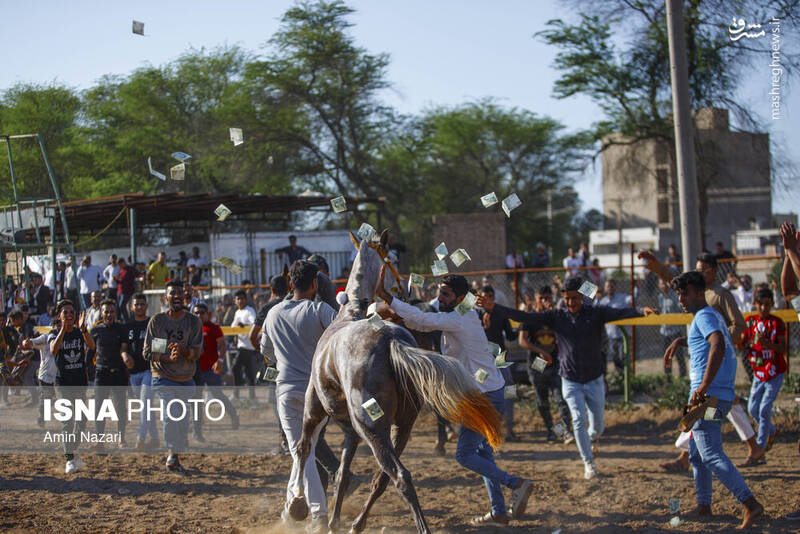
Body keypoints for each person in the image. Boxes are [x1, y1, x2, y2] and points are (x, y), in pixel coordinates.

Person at [377, 270, 533, 527]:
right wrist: (398, 313)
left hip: (483, 396)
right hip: (487, 392)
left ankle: (516, 483)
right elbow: (420, 322)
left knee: (464, 454)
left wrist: (388, 299)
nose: (440, 296)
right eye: (439, 291)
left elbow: (422, 319)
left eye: (446, 293)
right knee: (483, 454)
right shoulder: (460, 314)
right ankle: (499, 512)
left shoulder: (460, 319)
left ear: (460, 297)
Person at [479, 276, 653, 480]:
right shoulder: (556, 316)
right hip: (569, 379)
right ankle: (588, 462)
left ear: (581, 296)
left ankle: (588, 441)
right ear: (563, 298)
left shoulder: (595, 314)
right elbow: (524, 316)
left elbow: (619, 312)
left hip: (594, 378)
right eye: (567, 298)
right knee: (578, 419)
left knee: (598, 427)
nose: (571, 302)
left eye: (574, 298)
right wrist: (495, 307)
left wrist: (641, 311)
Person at [639, 250, 764, 468]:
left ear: (714, 271)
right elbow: (676, 281)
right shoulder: (697, 291)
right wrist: (657, 266)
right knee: (724, 405)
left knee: (703, 404)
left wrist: (720, 342)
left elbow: (739, 325)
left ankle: (687, 457)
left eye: (701, 270)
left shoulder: (720, 295)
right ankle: (751, 447)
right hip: (706, 357)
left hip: (717, 359)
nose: (697, 272)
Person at [669, 271, 762, 529]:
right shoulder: (711, 316)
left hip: (708, 398)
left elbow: (718, 344)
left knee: (709, 453)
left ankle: (750, 504)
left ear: (700, 293)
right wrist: (681, 341)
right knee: (697, 453)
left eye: (685, 293)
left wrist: (704, 386)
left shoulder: (704, 315)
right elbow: (709, 343)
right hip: (717, 398)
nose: (680, 299)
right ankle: (704, 505)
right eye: (678, 294)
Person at [264, 260, 337, 530]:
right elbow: (343, 334)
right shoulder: (321, 310)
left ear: (290, 284)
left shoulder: (272, 314)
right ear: (315, 284)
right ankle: (303, 510)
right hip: (316, 394)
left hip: (285, 391)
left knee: (301, 453)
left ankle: (311, 512)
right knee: (304, 453)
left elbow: (266, 352)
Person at [143, 281, 203, 474]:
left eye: (179, 293)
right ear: (165, 298)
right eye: (172, 293)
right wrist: (167, 357)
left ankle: (175, 455)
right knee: (171, 415)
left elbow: (196, 353)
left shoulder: (193, 322)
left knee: (183, 420)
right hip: (163, 377)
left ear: (184, 296)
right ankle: (171, 455)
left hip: (186, 378)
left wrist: (183, 350)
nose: (176, 296)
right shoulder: (158, 322)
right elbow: (149, 352)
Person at [518, 285, 573, 443]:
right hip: (537, 364)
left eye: (547, 298)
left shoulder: (556, 316)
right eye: (541, 298)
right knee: (542, 401)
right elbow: (522, 340)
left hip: (555, 363)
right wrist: (539, 351)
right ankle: (551, 431)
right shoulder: (530, 317)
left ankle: (564, 431)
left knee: (561, 399)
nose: (544, 301)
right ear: (536, 299)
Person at [49, 299, 96, 473]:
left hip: (80, 382)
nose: (69, 315)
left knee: (82, 421)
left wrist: (83, 329)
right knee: (67, 421)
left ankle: (72, 448)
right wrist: (63, 328)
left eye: (71, 312)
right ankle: (69, 458)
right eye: (65, 312)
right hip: (63, 383)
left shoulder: (79, 332)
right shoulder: (53, 333)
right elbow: (54, 350)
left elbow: (92, 346)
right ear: (59, 315)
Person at [743, 288, 786, 451]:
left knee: (764, 408)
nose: (763, 308)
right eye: (760, 304)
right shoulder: (750, 322)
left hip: (775, 371)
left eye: (767, 304)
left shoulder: (777, 323)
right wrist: (739, 341)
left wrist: (770, 345)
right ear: (754, 304)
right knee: (752, 408)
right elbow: (743, 344)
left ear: (772, 305)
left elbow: (783, 348)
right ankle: (772, 431)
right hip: (759, 372)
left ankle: (760, 446)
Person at [191, 302, 238, 442]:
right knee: (196, 401)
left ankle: (233, 414)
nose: (198, 315)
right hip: (196, 370)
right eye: (196, 313)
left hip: (211, 369)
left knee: (218, 396)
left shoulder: (213, 328)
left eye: (201, 313)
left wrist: (220, 361)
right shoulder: (191, 329)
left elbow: (222, 346)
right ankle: (197, 432)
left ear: (207, 314)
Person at [477, 285, 518, 442]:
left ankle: (509, 428)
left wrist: (523, 327)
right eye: (484, 297)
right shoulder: (474, 315)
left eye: (490, 297)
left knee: (510, 389)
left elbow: (510, 336)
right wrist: (483, 327)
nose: (487, 300)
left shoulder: (500, 314)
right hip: (482, 359)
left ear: (494, 298)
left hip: (500, 357)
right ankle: (487, 429)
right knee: (482, 391)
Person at [91, 299, 130, 450]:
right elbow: (90, 350)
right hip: (101, 372)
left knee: (120, 407)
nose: (109, 314)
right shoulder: (96, 330)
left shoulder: (121, 329)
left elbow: (124, 348)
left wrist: (125, 356)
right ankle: (99, 440)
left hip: (118, 372)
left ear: (116, 313)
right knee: (99, 407)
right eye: (106, 311)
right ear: (101, 313)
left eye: (112, 311)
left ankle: (121, 438)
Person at [124, 293, 159, 450]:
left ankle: (141, 438)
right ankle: (156, 438)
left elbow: (159, 346)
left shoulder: (153, 323)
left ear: (146, 306)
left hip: (148, 371)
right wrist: (124, 355)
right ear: (131, 307)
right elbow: (123, 348)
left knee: (145, 405)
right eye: (136, 304)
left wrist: (157, 366)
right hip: (133, 372)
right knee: (147, 406)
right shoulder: (128, 326)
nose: (139, 307)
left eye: (142, 304)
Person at [21, 317, 59, 427]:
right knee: (46, 398)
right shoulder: (45, 337)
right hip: (46, 375)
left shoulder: (64, 337)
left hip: (58, 374)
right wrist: (26, 342)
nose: (59, 328)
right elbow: (32, 342)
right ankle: (42, 418)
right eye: (56, 326)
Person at [597, 280, 632, 371]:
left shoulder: (622, 298)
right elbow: (593, 309)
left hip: (622, 335)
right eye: (608, 286)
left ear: (615, 288)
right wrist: (596, 297)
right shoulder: (602, 302)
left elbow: (633, 298)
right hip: (611, 335)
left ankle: (626, 376)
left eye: (612, 286)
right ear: (605, 288)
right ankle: (620, 377)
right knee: (615, 358)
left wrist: (636, 287)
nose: (610, 288)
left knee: (623, 356)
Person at [231, 289, 257, 399]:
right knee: (249, 372)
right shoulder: (237, 312)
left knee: (235, 367)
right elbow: (233, 327)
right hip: (242, 345)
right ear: (235, 301)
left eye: (242, 298)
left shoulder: (249, 310)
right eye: (238, 299)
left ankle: (237, 394)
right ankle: (252, 397)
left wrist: (244, 325)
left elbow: (254, 323)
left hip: (247, 345)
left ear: (246, 300)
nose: (240, 300)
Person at [657, 279, 686, 376]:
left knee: (679, 355)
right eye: (661, 284)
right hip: (664, 331)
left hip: (675, 330)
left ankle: (683, 376)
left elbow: (680, 310)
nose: (663, 286)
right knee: (666, 355)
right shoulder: (660, 297)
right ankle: (668, 376)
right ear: (659, 286)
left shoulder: (674, 296)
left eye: (665, 283)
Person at [115, 258, 137, 323]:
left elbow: (138, 274)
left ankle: (127, 320)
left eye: (120, 264)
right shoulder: (121, 270)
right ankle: (123, 320)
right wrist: (116, 280)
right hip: (120, 291)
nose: (119, 266)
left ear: (123, 262)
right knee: (120, 306)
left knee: (123, 306)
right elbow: (120, 280)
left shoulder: (130, 269)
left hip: (127, 291)